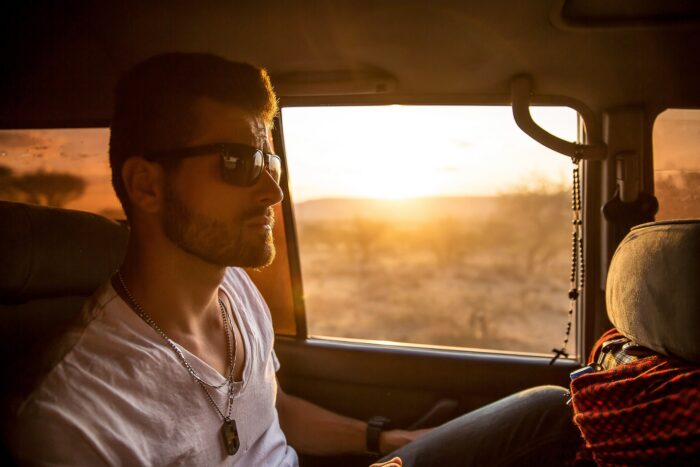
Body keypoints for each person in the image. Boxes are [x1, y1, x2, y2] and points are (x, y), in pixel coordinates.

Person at [11, 53, 580, 466]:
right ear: (147, 186)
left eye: (270, 162)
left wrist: (382, 440)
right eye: (237, 163)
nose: (271, 193)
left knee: (554, 410)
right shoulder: (76, 418)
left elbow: (272, 408)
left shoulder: (234, 290)